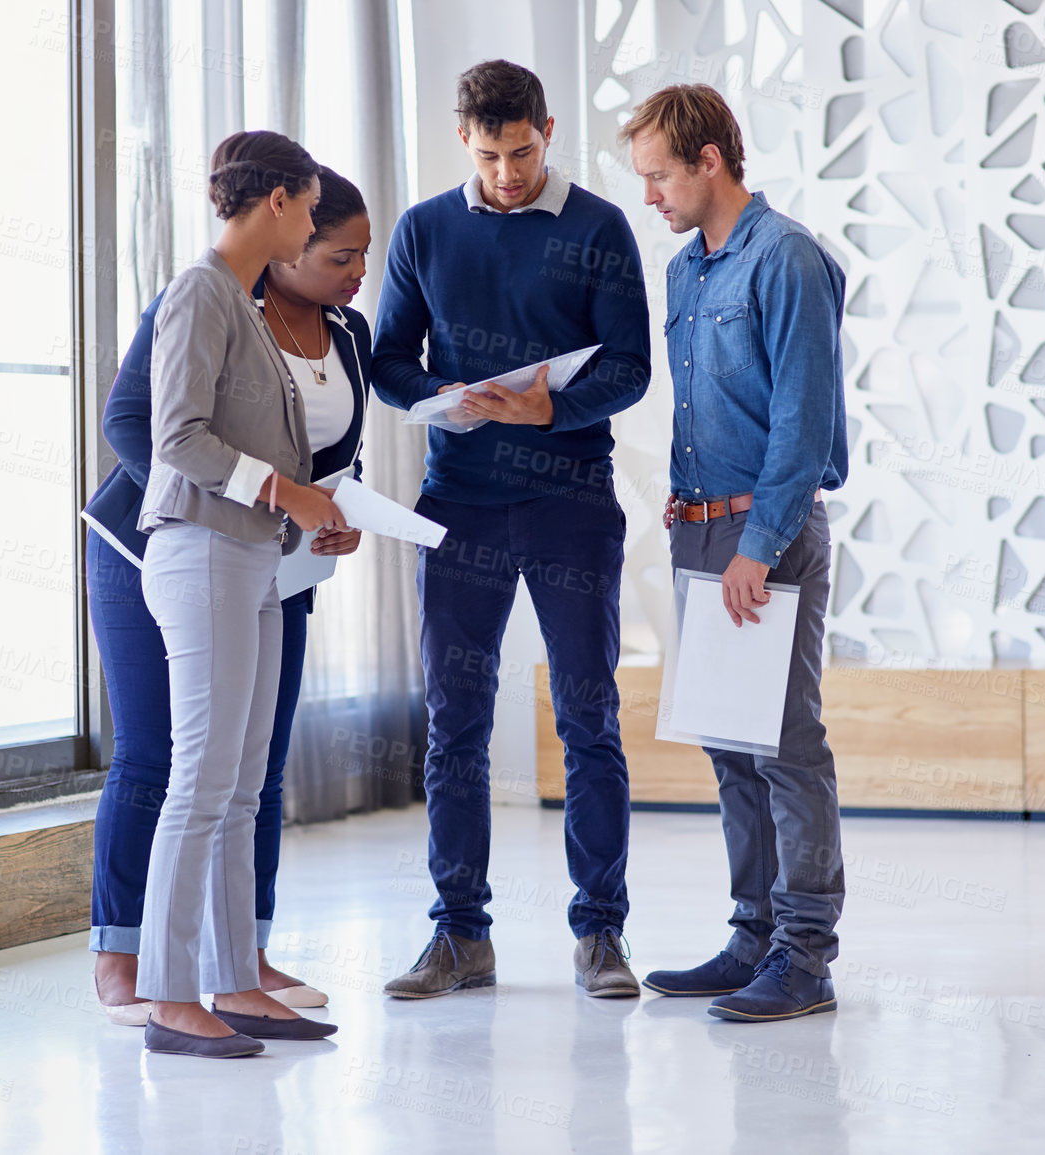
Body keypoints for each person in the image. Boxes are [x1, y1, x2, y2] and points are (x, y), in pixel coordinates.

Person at [372, 60, 652, 1000]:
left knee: (587, 719)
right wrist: (439, 397)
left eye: (522, 151)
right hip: (456, 501)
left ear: (549, 128)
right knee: (454, 725)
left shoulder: (600, 227)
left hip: (571, 500)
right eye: (489, 154)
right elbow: (386, 362)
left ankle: (601, 936)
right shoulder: (423, 229)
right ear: (464, 139)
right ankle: (458, 936)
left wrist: (546, 417)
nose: (505, 172)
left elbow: (630, 370)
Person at [83, 168, 376, 1026]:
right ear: (284, 211)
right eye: (336, 247)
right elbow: (156, 430)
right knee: (168, 759)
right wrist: (257, 499)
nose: (355, 269)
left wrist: (322, 512)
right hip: (170, 542)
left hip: (266, 552)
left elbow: (309, 455)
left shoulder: (324, 328)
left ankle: (234, 966)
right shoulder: (205, 295)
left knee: (247, 772)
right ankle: (134, 960)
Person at [620, 85, 848, 1022]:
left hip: (767, 532)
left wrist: (759, 543)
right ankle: (752, 935)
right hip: (699, 527)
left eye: (659, 175)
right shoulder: (685, 271)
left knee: (784, 745)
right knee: (728, 744)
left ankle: (804, 954)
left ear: (709, 159)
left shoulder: (787, 259)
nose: (650, 197)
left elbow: (802, 423)